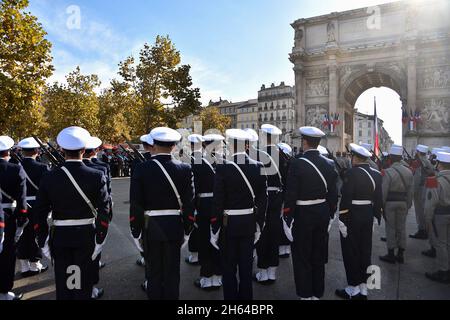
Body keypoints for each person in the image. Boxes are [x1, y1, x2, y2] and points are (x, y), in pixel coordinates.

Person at [33, 127, 110, 300]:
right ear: (84, 150)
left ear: (62, 150)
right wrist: (100, 236)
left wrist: (43, 239)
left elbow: (39, 212)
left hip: (61, 236)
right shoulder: (97, 175)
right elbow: (104, 210)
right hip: (86, 235)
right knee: (82, 283)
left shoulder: (49, 177)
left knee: (66, 282)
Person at [130, 127, 195, 300]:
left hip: (151, 227)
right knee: (172, 274)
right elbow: (189, 204)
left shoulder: (141, 169)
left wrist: (136, 231)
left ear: (154, 145)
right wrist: (187, 229)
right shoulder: (185, 168)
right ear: (174, 146)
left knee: (154, 274)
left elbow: (136, 205)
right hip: (174, 227)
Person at [210, 129, 268, 300]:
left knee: (228, 269)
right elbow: (263, 200)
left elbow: (217, 202)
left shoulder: (222, 169)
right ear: (248, 145)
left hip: (229, 225)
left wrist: (215, 227)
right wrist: (259, 224)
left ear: (230, 146)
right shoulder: (259, 167)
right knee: (246, 268)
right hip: (249, 223)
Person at [283, 127, 338, 300]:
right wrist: (330, 213)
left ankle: (305, 294)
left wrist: (287, 217)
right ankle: (317, 292)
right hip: (322, 212)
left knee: (302, 256)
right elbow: (333, 194)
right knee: (318, 255)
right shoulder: (329, 163)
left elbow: (291, 194)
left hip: (303, 213)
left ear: (304, 142)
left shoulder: (297, 163)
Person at [335, 144, 383, 300]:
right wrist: (376, 216)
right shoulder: (376, 174)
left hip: (353, 216)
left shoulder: (352, 173)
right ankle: (364, 289)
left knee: (351, 252)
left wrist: (342, 219)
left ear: (354, 157)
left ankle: (352, 289)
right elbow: (378, 199)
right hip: (368, 215)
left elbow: (346, 198)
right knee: (365, 251)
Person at [254, 124, 287, 284]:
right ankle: (272, 271)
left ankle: (262, 270)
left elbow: (257, 179)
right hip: (277, 197)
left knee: (262, 231)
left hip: (263, 196)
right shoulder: (282, 154)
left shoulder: (258, 154)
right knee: (274, 232)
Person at [189, 134, 222, 290]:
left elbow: (193, 189)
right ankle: (217, 276)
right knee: (218, 241)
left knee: (205, 241)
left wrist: (192, 209)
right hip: (220, 206)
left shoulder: (197, 162)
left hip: (203, 206)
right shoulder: (224, 162)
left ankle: (207, 278)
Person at [82, 136, 113, 299]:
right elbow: (106, 193)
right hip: (93, 215)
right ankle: (90, 288)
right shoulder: (101, 168)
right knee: (92, 249)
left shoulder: (57, 172)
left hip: (65, 225)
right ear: (95, 150)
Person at [16, 138, 50, 278]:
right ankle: (35, 265)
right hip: (37, 205)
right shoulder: (42, 167)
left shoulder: (15, 166)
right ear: (37, 151)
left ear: (22, 151)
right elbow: (47, 190)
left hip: (19, 205)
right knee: (37, 233)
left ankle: (24, 266)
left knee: (21, 235)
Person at [0, 136, 27, 300]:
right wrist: (22, 218)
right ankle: (4, 292)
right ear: (8, 152)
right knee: (7, 255)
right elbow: (21, 198)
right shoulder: (15, 169)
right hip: (8, 216)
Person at [379, 145, 414, 264]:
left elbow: (384, 191)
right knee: (401, 228)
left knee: (390, 228)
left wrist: (381, 206)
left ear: (391, 158)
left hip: (390, 203)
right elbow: (410, 191)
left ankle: (390, 254)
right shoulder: (409, 171)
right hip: (403, 203)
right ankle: (400, 254)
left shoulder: (388, 172)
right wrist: (408, 205)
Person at [423, 151, 450, 283]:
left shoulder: (434, 181)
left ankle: (444, 271)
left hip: (440, 216)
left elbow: (430, 204)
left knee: (441, 244)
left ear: (440, 165)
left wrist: (427, 220)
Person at [410, 145, 435, 240]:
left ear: (418, 152)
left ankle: (422, 230)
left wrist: (413, 191)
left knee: (419, 211)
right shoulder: (427, 161)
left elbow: (417, 178)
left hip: (420, 190)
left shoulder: (418, 162)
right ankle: (425, 230)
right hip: (427, 188)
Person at [277, 142, 293, 259]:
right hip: (289, 196)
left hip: (280, 195)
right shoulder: (291, 162)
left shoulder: (279, 162)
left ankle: (282, 248)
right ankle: (286, 249)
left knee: (280, 222)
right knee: (286, 222)